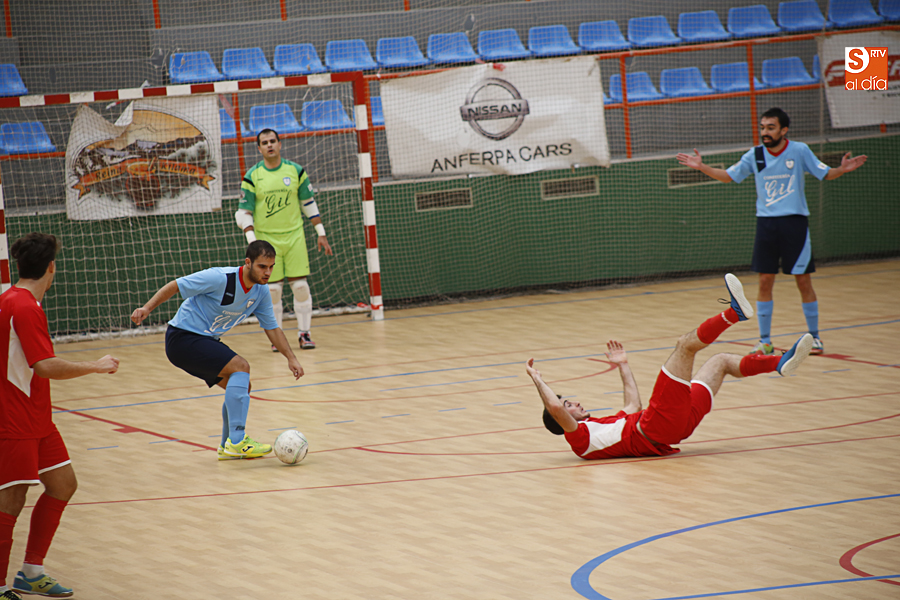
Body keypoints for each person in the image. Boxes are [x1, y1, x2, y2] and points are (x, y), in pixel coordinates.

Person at [527, 274, 814, 461]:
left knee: (721, 362)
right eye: (569, 405)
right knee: (684, 346)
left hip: (672, 427)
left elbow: (633, 405)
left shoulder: (599, 428)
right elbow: (554, 408)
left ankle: (779, 363)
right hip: (656, 426)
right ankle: (733, 313)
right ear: (563, 420)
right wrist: (538, 380)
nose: (574, 403)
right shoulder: (578, 438)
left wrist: (623, 366)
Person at [676, 107, 867, 356]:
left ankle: (815, 337)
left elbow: (825, 173)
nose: (765, 132)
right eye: (763, 127)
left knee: (803, 281)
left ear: (784, 130)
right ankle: (765, 341)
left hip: (794, 224)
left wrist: (841, 169)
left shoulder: (799, 150)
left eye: (771, 128)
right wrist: (702, 167)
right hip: (766, 225)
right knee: (765, 281)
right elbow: (729, 176)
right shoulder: (755, 155)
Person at [1, 233, 120, 599]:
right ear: (51, 267)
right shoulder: (25, 307)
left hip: (37, 417)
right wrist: (96, 366)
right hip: (16, 420)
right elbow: (45, 366)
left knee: (63, 484)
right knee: (10, 501)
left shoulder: (11, 299)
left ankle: (31, 572)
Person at [130, 240, 304, 461]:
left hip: (203, 339)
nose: (268, 272)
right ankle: (237, 441)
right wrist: (147, 308)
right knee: (241, 366)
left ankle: (226, 446)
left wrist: (291, 358)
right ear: (248, 262)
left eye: (271, 267)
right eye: (262, 266)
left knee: (242, 385)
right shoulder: (220, 277)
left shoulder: (260, 292)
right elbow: (176, 285)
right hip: (182, 337)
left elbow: (272, 328)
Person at [234, 128, 333, 352]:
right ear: (259, 148)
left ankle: (304, 334)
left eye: (272, 141)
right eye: (264, 142)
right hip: (267, 242)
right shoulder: (252, 176)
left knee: (300, 287)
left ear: (280, 144)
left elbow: (308, 203)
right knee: (272, 292)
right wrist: (252, 240)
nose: (269, 145)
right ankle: (276, 339)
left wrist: (321, 232)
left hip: (294, 237)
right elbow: (243, 212)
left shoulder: (295, 171)